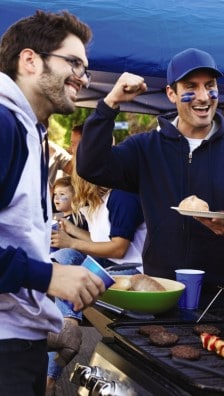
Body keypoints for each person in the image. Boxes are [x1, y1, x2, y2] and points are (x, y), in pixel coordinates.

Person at [76, 48, 224, 306]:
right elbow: (91, 167)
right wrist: (110, 104)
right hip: (159, 291)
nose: (203, 97)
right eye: (191, 86)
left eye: (209, 86)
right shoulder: (145, 149)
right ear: (171, 93)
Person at [0, 10, 106, 394]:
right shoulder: (3, 123)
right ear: (30, 60)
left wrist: (43, 317)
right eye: (73, 62)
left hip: (20, 344)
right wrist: (49, 276)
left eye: (85, 68)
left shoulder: (31, 131)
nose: (81, 76)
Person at [48, 171, 145, 393]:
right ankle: (67, 324)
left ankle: (68, 327)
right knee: (63, 256)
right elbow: (99, 241)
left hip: (132, 272)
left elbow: (119, 248)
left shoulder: (121, 197)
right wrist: (70, 233)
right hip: (110, 266)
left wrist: (71, 243)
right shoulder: (95, 204)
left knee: (69, 259)